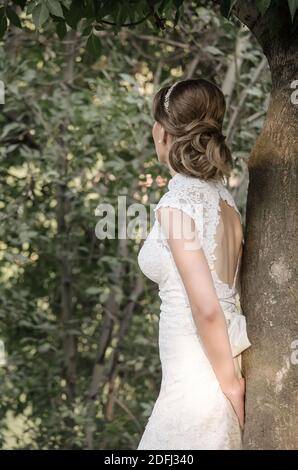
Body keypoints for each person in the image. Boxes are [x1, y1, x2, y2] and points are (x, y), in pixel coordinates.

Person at [137, 78, 251, 450]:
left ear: (162, 132)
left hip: (199, 387)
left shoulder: (177, 206)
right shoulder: (225, 202)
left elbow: (207, 308)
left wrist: (231, 388)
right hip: (217, 372)